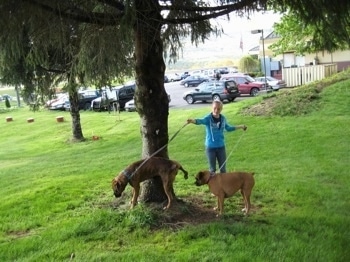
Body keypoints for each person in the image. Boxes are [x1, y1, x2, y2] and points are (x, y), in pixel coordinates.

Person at [187, 100, 247, 173]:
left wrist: (241, 126)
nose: (216, 110)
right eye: (215, 108)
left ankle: (223, 184)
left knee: (223, 169)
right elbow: (200, 121)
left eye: (218, 109)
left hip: (221, 147)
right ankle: (213, 184)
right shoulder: (208, 118)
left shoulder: (223, 119)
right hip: (210, 148)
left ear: (221, 109)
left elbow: (228, 128)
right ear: (212, 108)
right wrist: (192, 121)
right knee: (212, 170)